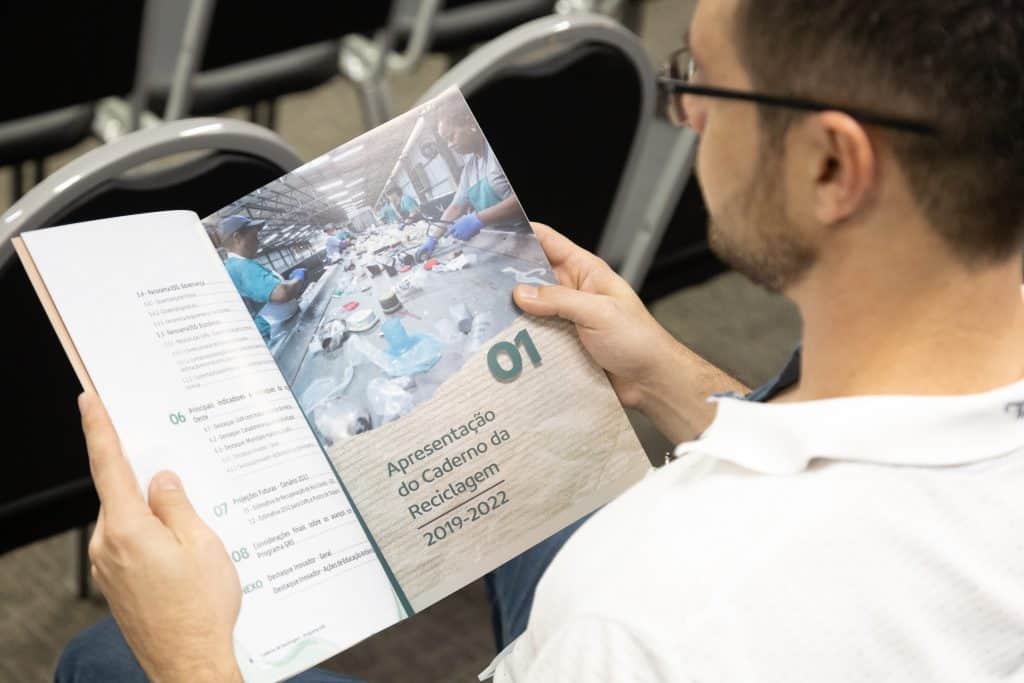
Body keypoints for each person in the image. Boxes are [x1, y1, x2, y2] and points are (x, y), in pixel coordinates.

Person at [56, 1, 1024, 681]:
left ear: (829, 165)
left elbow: (647, 622)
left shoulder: (642, 625)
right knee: (540, 451)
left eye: (703, 82)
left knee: (109, 658)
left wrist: (194, 660)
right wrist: (668, 375)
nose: (684, 113)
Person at [415, 106, 523, 260]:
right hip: (501, 237)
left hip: (527, 231)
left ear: (469, 123)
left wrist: (479, 219)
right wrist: (433, 238)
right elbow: (456, 207)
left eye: (451, 137)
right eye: (446, 141)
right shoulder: (469, 168)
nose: (450, 145)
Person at [218, 214, 306, 342]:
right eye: (254, 236)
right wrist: (298, 279)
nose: (258, 241)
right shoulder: (239, 266)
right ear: (237, 237)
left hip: (283, 328)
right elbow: (282, 293)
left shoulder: (243, 264)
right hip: (275, 336)